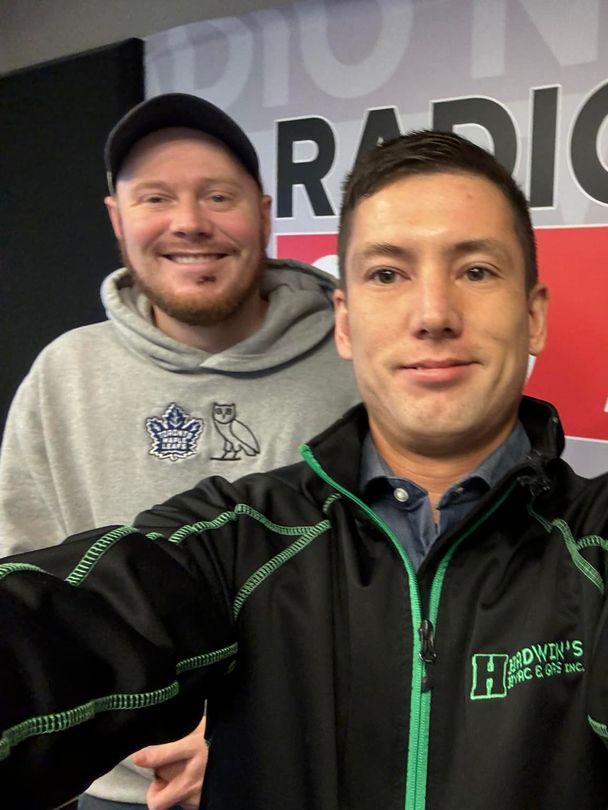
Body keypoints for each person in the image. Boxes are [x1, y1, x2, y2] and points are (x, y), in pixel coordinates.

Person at [0, 130, 608, 809]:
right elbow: (61, 627)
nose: (433, 312)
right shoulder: (239, 539)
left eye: (475, 270)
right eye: (388, 275)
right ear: (345, 322)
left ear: (534, 315)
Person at [0, 93, 359, 809]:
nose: (189, 221)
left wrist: (253, 731)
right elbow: (30, 590)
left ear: (263, 214)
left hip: (309, 770)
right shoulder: (63, 375)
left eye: (218, 196)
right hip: (115, 789)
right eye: (156, 197)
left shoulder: (355, 367)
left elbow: (398, 597)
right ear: (117, 218)